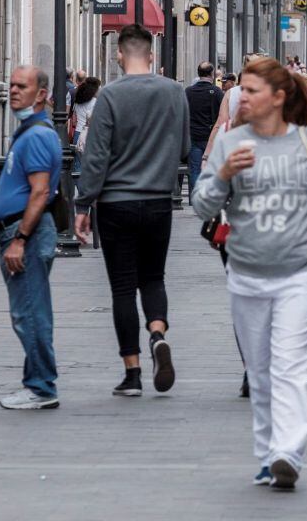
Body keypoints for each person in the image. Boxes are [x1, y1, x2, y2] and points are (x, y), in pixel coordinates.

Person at [193, 58, 307, 488]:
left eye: (250, 91)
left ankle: (289, 450)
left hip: (300, 272)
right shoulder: (231, 144)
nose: (240, 97)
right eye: (241, 90)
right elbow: (202, 206)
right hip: (246, 272)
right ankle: (268, 452)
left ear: (278, 98)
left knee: (289, 363)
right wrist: (223, 175)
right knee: (261, 370)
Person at [74, 24, 190, 397]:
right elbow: (185, 145)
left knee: (123, 288)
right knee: (154, 277)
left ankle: (133, 373)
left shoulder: (110, 96)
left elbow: (97, 155)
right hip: (158, 201)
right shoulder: (175, 92)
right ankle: (158, 332)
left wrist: (82, 203)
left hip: (116, 204)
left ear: (119, 55)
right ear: (152, 55)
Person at [0, 66, 63, 410]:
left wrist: (20, 238)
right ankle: (35, 381)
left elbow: (40, 192)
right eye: (12, 85)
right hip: (20, 230)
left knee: (30, 312)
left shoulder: (36, 136)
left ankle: (41, 386)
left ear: (42, 94)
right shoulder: (30, 131)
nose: (13, 91)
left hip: (26, 232)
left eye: (22, 86)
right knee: (29, 309)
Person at [185, 62, 224, 201]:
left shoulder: (188, 92)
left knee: (194, 169)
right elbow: (222, 115)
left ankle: (196, 198)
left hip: (193, 136)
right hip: (211, 138)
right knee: (212, 169)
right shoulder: (217, 92)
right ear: (212, 74)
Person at [71, 76, 101, 172]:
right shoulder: (95, 102)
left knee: (78, 164)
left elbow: (74, 121)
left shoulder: (77, 102)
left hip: (78, 133)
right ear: (95, 89)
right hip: (90, 134)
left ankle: (79, 186)